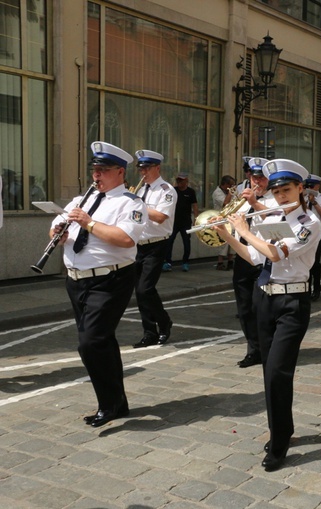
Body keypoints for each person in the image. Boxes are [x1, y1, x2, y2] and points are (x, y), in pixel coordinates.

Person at [214, 159, 320, 472]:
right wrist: (228, 235)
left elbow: (276, 253)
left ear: (300, 189)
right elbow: (254, 257)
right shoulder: (270, 216)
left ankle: (279, 441)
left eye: (287, 190)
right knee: (267, 372)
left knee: (277, 372)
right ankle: (281, 430)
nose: (281, 196)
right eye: (276, 191)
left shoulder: (309, 222)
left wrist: (245, 227)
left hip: (292, 303)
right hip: (265, 298)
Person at [50, 141, 146, 427]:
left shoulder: (131, 203)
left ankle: (109, 404)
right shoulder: (82, 199)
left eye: (103, 170)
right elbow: (58, 222)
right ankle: (118, 402)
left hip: (110, 279)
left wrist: (89, 223)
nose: (97, 176)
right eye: (94, 170)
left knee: (90, 343)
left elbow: (126, 239)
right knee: (101, 341)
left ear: (119, 171)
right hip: (76, 280)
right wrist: (58, 232)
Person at [131, 150, 177, 348]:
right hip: (138, 245)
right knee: (140, 292)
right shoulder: (141, 190)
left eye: (146, 168)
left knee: (145, 288)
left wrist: (137, 204)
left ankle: (164, 322)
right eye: (141, 168)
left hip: (156, 244)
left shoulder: (166, 190)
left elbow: (160, 217)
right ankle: (149, 332)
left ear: (157, 168)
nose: (143, 172)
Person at [232, 157, 273, 369]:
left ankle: (267, 348)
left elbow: (276, 221)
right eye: (253, 177)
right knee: (245, 307)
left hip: (264, 258)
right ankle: (253, 349)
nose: (256, 181)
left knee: (262, 308)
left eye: (261, 178)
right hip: (243, 257)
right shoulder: (242, 198)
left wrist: (254, 202)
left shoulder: (276, 199)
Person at [164, 173, 198, 272]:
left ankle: (185, 262)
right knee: (169, 242)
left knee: (186, 243)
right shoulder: (173, 191)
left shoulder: (190, 192)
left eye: (181, 181)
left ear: (186, 181)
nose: (179, 182)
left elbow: (195, 205)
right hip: (173, 222)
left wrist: (196, 218)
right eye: (178, 180)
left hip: (186, 222)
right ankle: (168, 262)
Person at [305, 174, 321, 301]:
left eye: (311, 186)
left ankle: (316, 288)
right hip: (305, 232)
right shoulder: (302, 198)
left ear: (317, 186)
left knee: (315, 262)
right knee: (305, 261)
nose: (309, 188)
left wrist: (314, 202)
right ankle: (306, 288)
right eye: (307, 186)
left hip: (319, 232)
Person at [212, 175, 237, 270]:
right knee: (223, 241)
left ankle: (230, 261)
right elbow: (226, 203)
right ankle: (220, 262)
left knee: (233, 240)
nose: (232, 187)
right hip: (221, 219)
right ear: (224, 184)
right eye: (230, 185)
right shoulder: (217, 193)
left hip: (231, 218)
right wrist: (230, 192)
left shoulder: (230, 193)